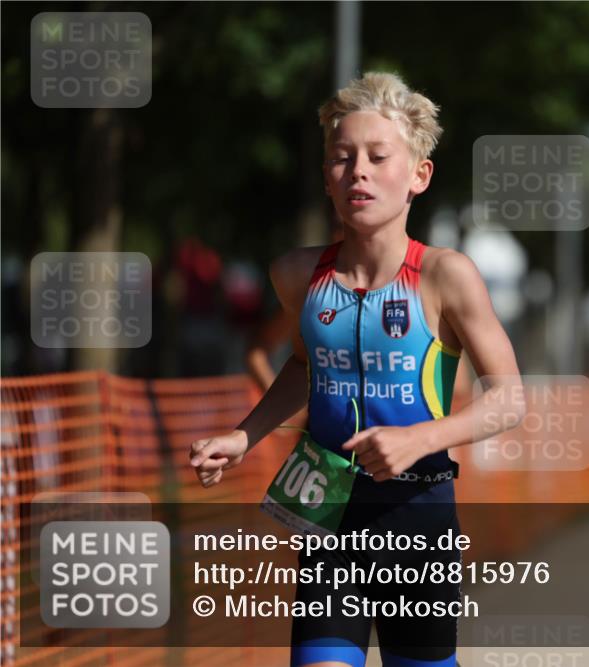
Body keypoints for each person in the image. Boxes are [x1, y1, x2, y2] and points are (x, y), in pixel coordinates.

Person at [190, 71, 525, 667]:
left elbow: (509, 399)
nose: (359, 172)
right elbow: (303, 362)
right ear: (327, 178)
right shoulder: (297, 275)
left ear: (418, 176)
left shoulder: (446, 276)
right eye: (342, 159)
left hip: (417, 524)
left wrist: (418, 439)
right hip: (330, 526)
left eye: (378, 156)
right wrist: (246, 434)